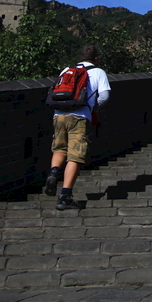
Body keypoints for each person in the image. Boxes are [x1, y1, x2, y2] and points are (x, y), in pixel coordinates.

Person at [44, 45, 110, 210]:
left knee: (59, 148)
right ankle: (65, 195)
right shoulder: (98, 72)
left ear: (80, 57)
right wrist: (92, 107)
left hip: (59, 114)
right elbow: (105, 95)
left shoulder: (67, 69)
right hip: (79, 116)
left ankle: (53, 173)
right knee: (75, 155)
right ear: (96, 58)